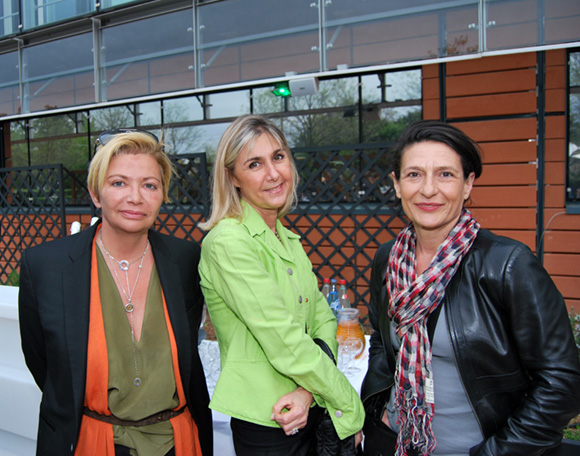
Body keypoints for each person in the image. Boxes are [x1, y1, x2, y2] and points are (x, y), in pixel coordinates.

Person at [360, 120, 580, 456]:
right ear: (397, 184)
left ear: (468, 184)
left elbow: (562, 381)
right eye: (414, 174)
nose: (429, 189)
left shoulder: (508, 264)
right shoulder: (388, 258)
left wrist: (497, 452)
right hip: (393, 442)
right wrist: (377, 418)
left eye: (446, 174)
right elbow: (381, 341)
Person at [18, 129, 212, 456]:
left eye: (149, 185)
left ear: (162, 194)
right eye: (119, 182)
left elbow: (189, 348)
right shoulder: (46, 266)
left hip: (177, 443)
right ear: (96, 194)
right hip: (89, 443)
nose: (135, 197)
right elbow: (46, 365)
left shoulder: (185, 259)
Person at [198, 114, 364, 455]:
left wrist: (307, 394)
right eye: (255, 164)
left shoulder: (288, 239)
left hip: (309, 404)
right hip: (270, 420)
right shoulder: (228, 242)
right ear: (233, 178)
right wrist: (349, 404)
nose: (273, 173)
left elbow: (325, 320)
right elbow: (283, 339)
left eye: (278, 156)